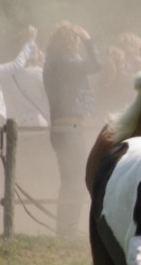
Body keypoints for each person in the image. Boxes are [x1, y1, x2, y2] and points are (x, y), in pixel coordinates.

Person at [43, 21, 101, 236]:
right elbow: (97, 64)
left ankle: (65, 227)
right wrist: (88, 39)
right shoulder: (66, 62)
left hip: (62, 127)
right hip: (70, 127)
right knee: (76, 180)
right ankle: (69, 228)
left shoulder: (52, 63)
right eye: (76, 41)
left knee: (69, 180)